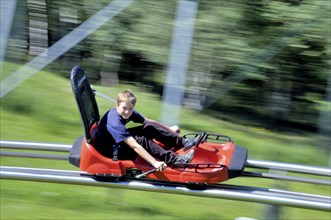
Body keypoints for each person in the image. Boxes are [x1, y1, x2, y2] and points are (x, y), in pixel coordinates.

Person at [91, 89, 196, 172]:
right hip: (109, 149)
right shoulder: (115, 122)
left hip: (114, 141)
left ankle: (180, 142)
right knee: (141, 140)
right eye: (124, 108)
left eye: (130, 108)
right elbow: (135, 146)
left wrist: (170, 129)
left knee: (148, 128)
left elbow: (149, 122)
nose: (127, 112)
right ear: (117, 105)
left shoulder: (127, 111)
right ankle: (176, 161)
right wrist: (155, 163)